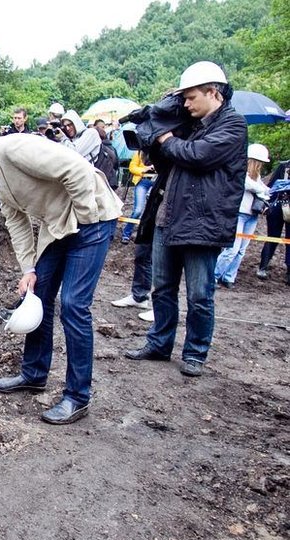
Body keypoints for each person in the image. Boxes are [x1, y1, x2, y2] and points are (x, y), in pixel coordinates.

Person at [0, 121, 122, 425]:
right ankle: (34, 373)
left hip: (91, 219)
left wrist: (86, 218)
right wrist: (29, 268)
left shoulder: (16, 148)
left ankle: (78, 397)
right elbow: (15, 220)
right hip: (59, 226)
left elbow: (77, 169)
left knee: (74, 305)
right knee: (36, 293)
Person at [125, 61, 248, 378]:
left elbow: (198, 156)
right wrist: (157, 129)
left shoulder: (233, 125)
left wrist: (165, 137)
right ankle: (159, 343)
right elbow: (165, 158)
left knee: (199, 295)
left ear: (213, 92)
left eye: (192, 98)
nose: (187, 104)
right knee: (162, 289)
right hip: (168, 217)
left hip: (203, 224)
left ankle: (194, 353)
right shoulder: (188, 124)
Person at [214, 144, 271, 287]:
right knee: (231, 249)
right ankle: (213, 276)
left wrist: (269, 191)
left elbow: (261, 188)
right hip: (238, 213)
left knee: (241, 250)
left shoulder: (256, 176)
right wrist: (262, 191)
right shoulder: (239, 170)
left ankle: (228, 277)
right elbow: (249, 185)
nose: (261, 166)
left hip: (252, 215)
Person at [257, 158, 290, 283]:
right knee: (272, 237)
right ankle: (263, 266)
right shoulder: (283, 166)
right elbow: (270, 187)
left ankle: (289, 272)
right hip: (278, 206)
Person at [120, 151, 156, 244]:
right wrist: (145, 169)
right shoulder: (139, 152)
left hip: (156, 183)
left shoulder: (162, 150)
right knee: (138, 210)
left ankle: (147, 236)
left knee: (153, 211)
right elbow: (132, 167)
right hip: (143, 181)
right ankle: (126, 233)